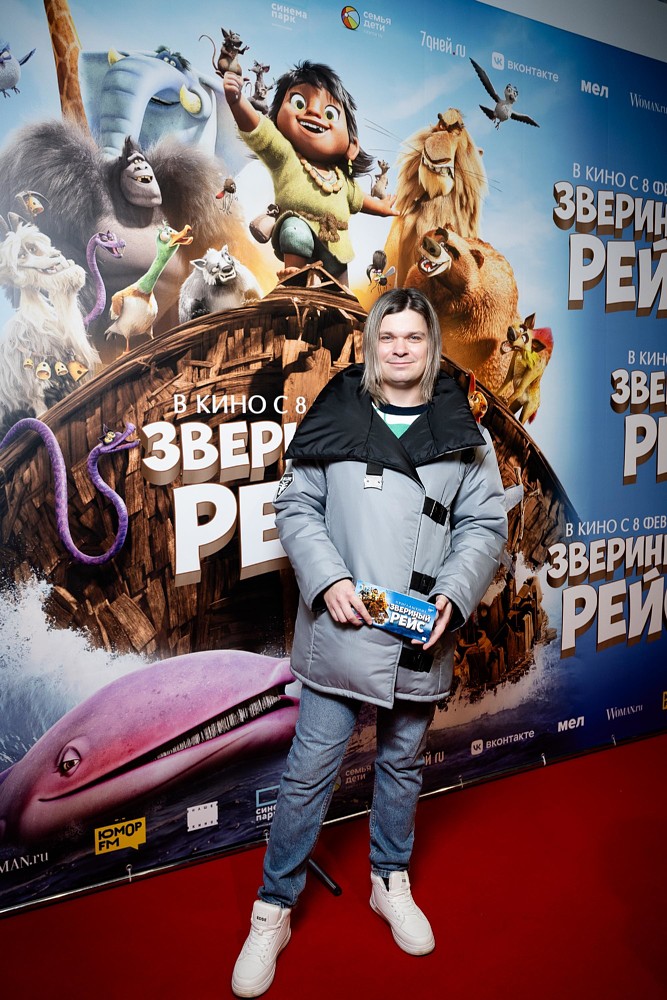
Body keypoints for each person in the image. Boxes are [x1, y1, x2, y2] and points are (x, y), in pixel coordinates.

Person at [231, 287, 508, 998]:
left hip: (420, 631)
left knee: (402, 765)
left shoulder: (462, 427)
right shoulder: (337, 411)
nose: (400, 348)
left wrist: (453, 593)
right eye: (389, 336)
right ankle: (273, 909)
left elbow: (484, 525)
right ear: (372, 344)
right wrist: (326, 579)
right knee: (307, 774)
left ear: (431, 346)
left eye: (414, 337)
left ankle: (390, 880)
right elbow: (296, 505)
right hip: (344, 627)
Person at [222, 60, 398, 283]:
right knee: (294, 229)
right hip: (298, 237)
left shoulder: (341, 180)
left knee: (340, 283)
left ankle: (338, 292)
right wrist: (237, 101)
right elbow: (259, 129)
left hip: (336, 247)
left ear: (352, 146)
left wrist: (381, 207)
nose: (314, 111)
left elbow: (360, 200)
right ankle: (295, 275)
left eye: (330, 114)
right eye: (299, 102)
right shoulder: (287, 157)